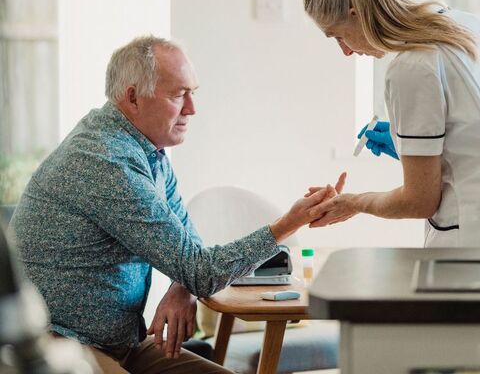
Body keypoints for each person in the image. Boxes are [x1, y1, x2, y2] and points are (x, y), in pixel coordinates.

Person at [9, 36, 333, 374]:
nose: (192, 108)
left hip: (122, 343)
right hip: (64, 345)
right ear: (132, 97)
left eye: (193, 93)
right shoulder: (106, 161)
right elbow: (201, 271)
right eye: (178, 95)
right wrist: (287, 224)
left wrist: (183, 285)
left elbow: (191, 254)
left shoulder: (149, 152)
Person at [302, 0, 480, 247]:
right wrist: (412, 146)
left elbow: (419, 202)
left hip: (472, 242)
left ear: (357, 14)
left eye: (338, 36)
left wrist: (353, 203)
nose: (346, 51)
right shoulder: (472, 25)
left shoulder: (412, 66)